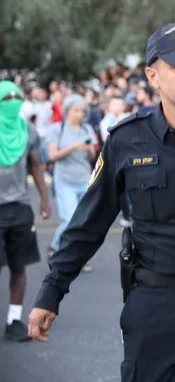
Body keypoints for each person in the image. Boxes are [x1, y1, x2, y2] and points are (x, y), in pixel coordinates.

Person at [28, 23, 175, 382]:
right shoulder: (126, 140)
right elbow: (89, 222)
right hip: (156, 304)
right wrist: (51, 292)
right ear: (153, 75)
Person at [0, 81, 52, 342]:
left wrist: (44, 198)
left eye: (15, 97)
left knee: (18, 268)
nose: (12, 102)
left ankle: (13, 321)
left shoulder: (28, 131)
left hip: (20, 208)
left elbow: (36, 165)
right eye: (6, 98)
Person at [45, 94, 98, 273]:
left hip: (84, 178)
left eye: (82, 111)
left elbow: (93, 157)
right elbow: (53, 156)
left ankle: (77, 257)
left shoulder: (87, 129)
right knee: (69, 219)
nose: (79, 114)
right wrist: (75, 146)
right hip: (64, 180)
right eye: (76, 110)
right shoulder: (57, 129)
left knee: (83, 221)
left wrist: (90, 149)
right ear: (68, 111)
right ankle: (55, 247)